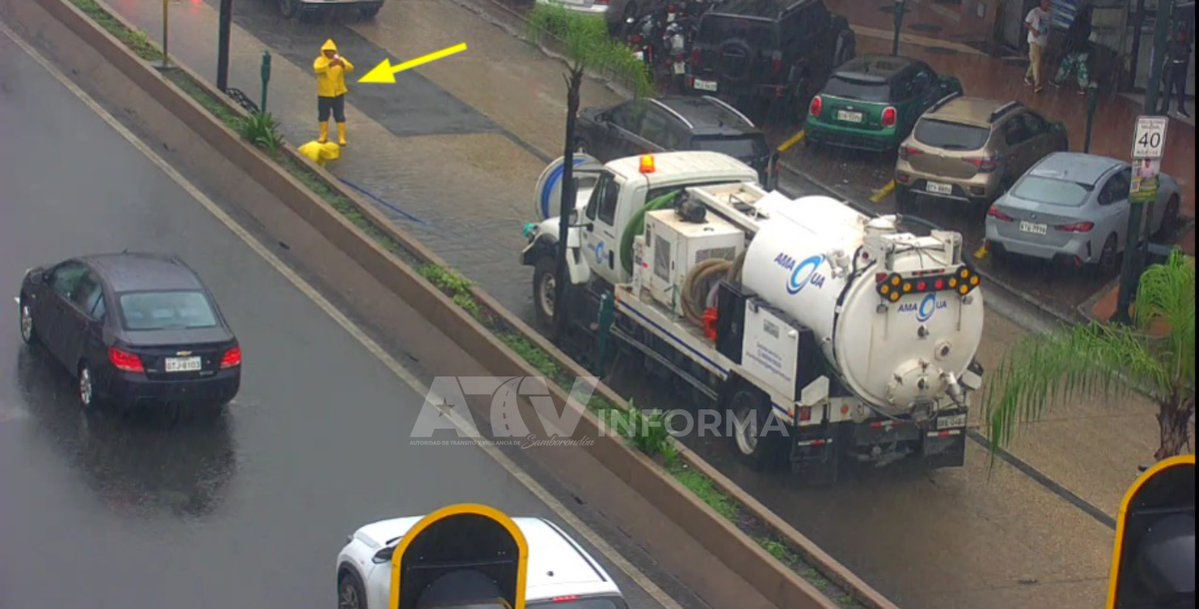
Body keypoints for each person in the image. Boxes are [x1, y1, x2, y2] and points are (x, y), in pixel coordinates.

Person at [314, 38, 354, 146]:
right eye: (328, 51)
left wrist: (343, 64)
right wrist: (329, 65)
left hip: (338, 93)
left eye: (332, 51)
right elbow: (317, 69)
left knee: (339, 115)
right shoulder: (320, 61)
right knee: (323, 115)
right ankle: (323, 135)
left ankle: (342, 137)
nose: (330, 53)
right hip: (324, 93)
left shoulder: (340, 60)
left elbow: (350, 68)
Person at [1052, 3, 1093, 93]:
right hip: (1082, 48)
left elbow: (1070, 35)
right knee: (1082, 68)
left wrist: (1065, 46)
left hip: (1073, 48)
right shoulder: (1088, 25)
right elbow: (1086, 35)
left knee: (1066, 65)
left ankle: (1058, 81)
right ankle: (1083, 87)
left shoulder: (1076, 22)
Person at [1161, 7, 1194, 118]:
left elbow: (1186, 53)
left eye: (1183, 35)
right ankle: (1164, 108)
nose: (1181, 36)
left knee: (1180, 90)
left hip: (1180, 67)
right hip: (1171, 66)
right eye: (1180, 34)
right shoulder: (1171, 43)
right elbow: (1165, 52)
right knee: (1167, 89)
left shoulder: (1186, 44)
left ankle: (1180, 108)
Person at [1024, 0, 1052, 93]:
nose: (1048, 4)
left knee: (1035, 61)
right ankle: (1037, 84)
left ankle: (1028, 76)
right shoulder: (1034, 12)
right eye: (1046, 2)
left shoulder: (1049, 14)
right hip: (1034, 41)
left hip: (1042, 41)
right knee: (1037, 61)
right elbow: (1026, 23)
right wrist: (1033, 30)